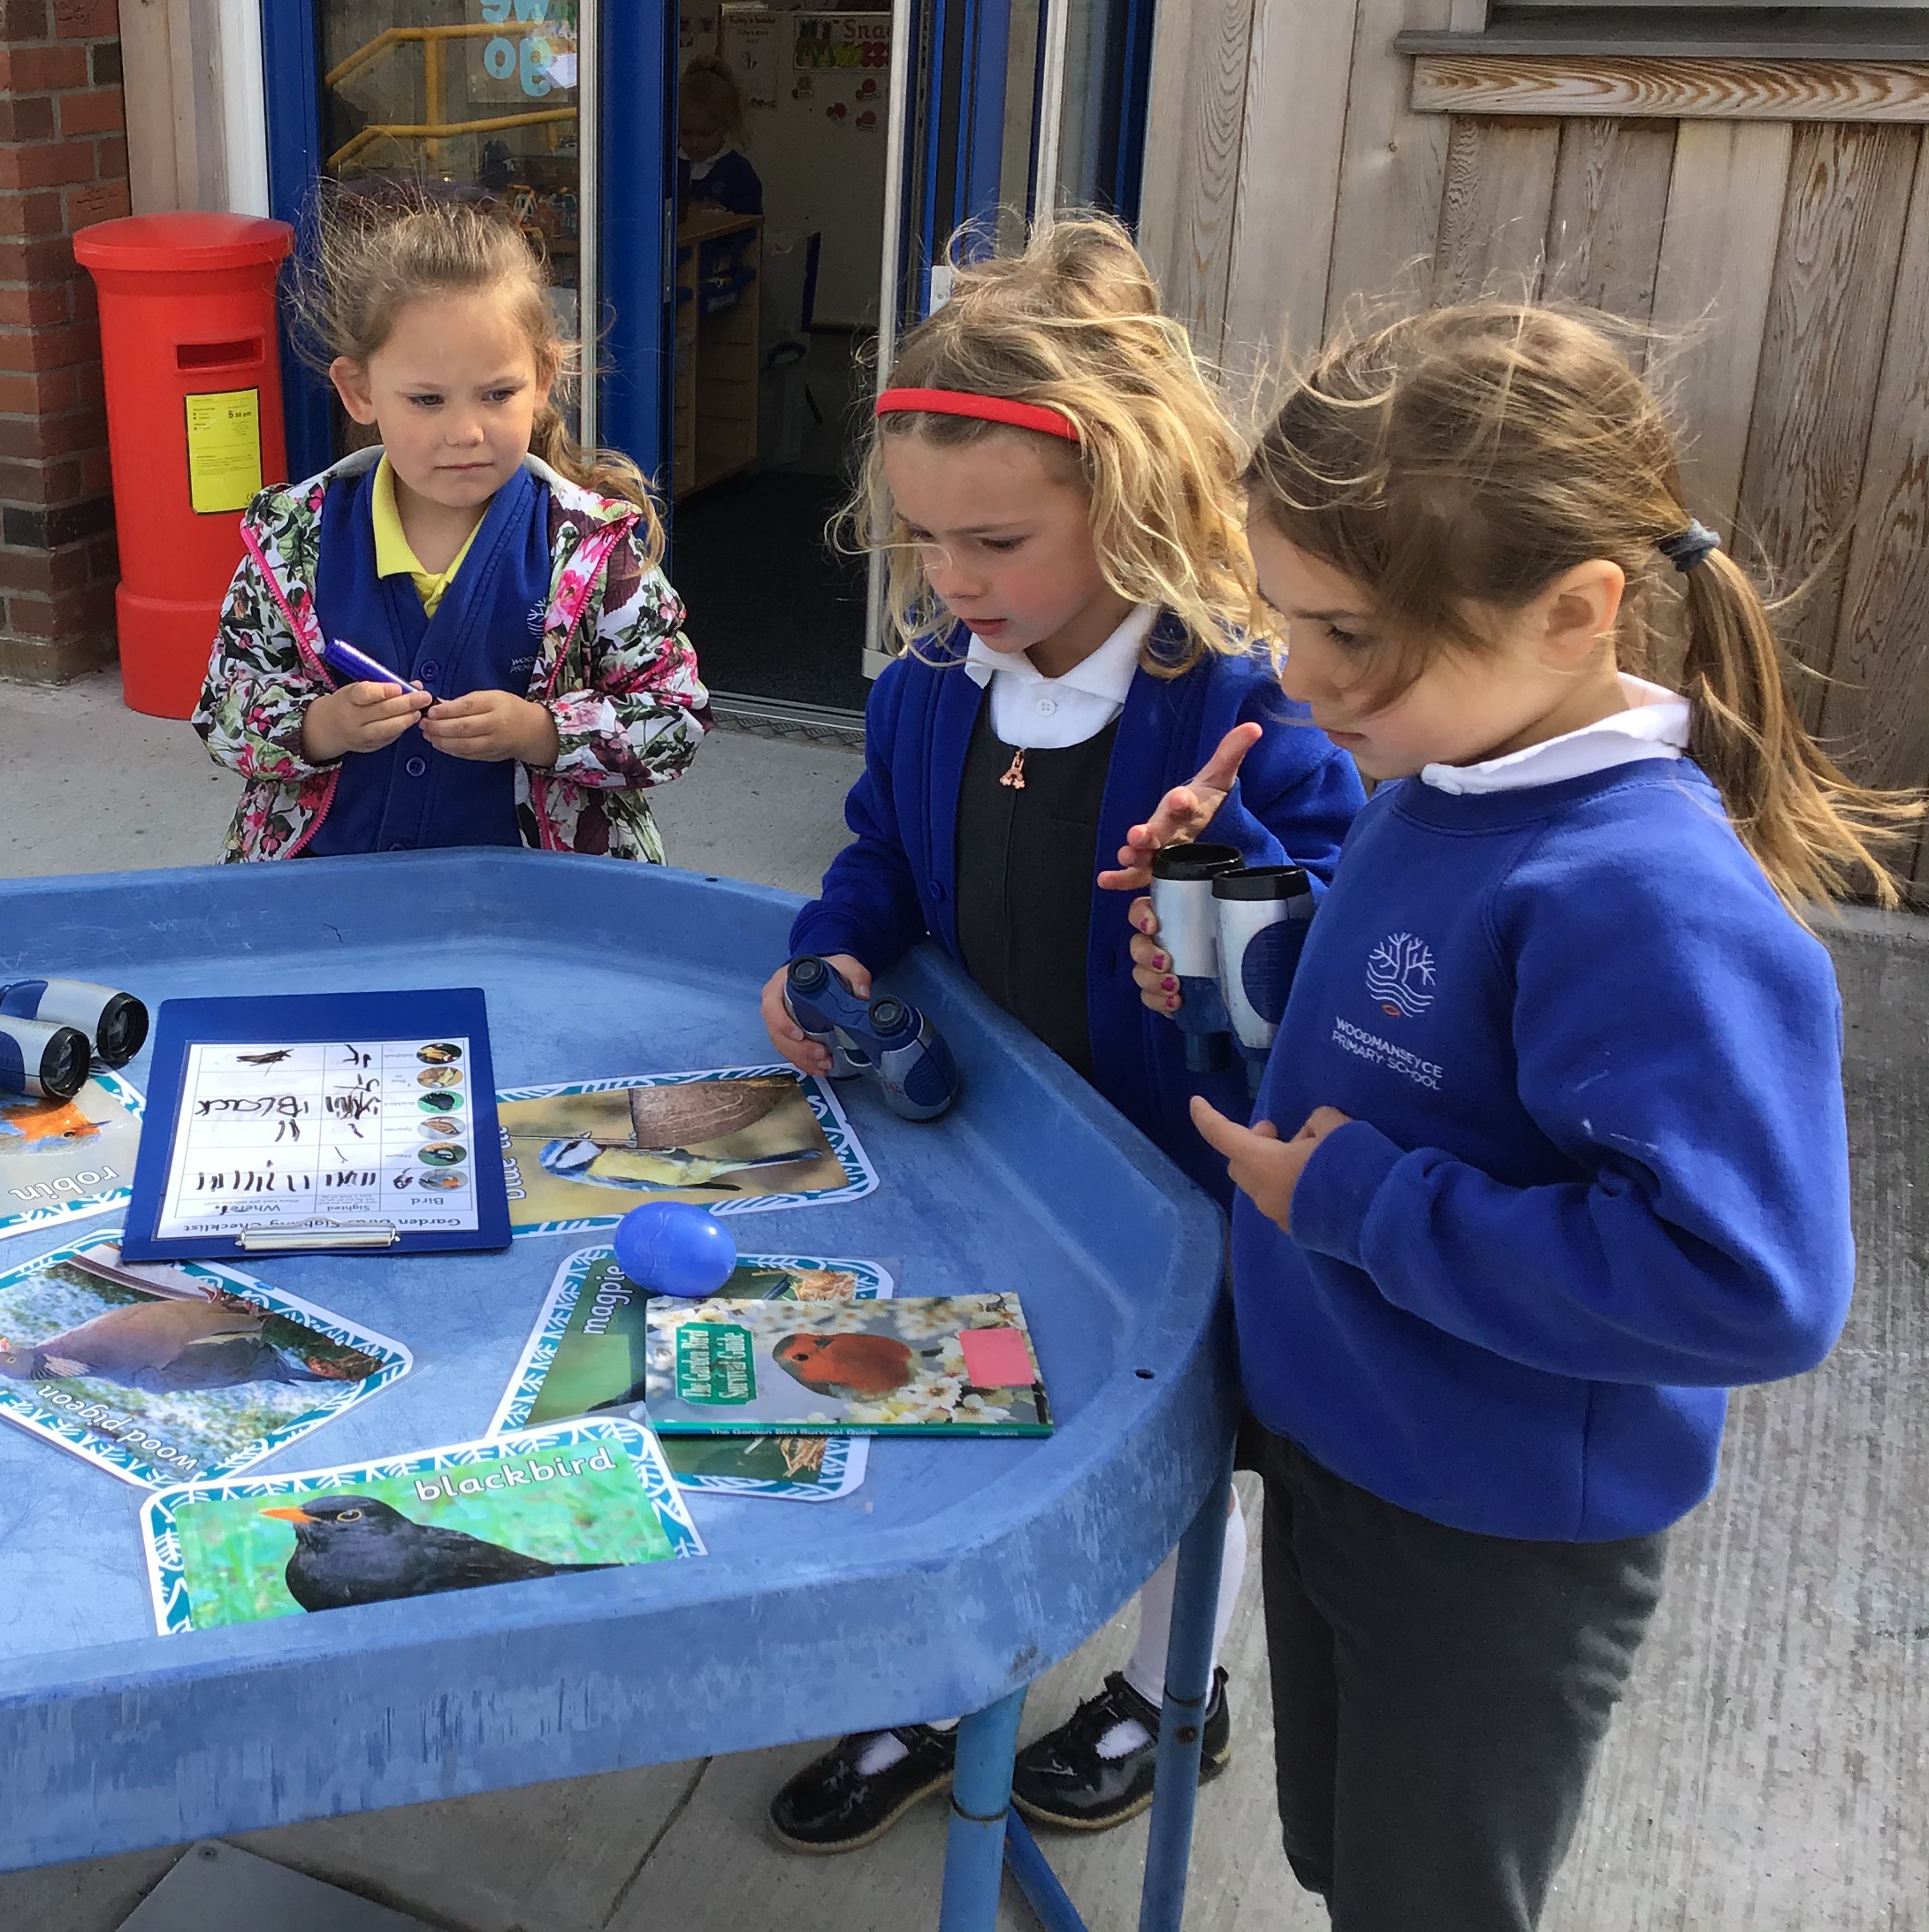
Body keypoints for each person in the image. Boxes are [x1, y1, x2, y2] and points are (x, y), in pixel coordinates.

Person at [1166, 301, 1906, 1932]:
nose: (1296, 677)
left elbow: (1747, 1284)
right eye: (1284, 621)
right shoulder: (1440, 778)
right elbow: (1403, 1019)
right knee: (1341, 1855)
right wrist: (1232, 915)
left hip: (1488, 1529)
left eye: (1349, 633)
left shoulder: (1645, 896)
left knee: (1428, 1901)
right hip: (1346, 1442)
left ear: (1574, 611)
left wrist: (1357, 1205)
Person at [759, 216, 1363, 1852]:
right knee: (950, 1390)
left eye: (998, 542)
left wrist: (1221, 868)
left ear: (1128, 498)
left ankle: (1172, 1690)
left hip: (1178, 1161)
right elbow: (882, 852)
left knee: (1179, 1435)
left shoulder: (1242, 704)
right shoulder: (924, 685)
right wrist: (827, 947)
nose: (953, 580)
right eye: (923, 542)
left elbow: (1332, 935)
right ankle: (937, 1672)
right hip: (986, 1149)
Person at [194, 193, 709, 862]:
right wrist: (320, 726)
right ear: (359, 391)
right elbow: (223, 708)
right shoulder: (290, 540)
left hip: (536, 901)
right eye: (427, 399)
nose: (465, 432)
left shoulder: (593, 547)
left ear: (543, 380)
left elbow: (676, 717)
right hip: (325, 893)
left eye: (497, 394)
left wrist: (543, 733)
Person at [675, 57, 764, 218]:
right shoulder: (667, 166)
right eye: (686, 133)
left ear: (726, 127)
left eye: (706, 134)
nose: (695, 143)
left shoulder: (740, 173)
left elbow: (751, 225)